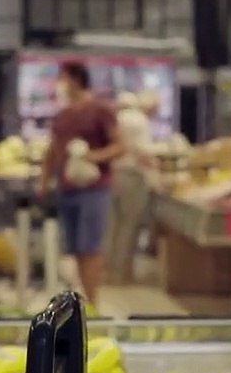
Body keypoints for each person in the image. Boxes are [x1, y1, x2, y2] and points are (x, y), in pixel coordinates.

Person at [38, 63, 124, 306]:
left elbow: (120, 146)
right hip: (68, 188)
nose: (60, 83)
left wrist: (93, 157)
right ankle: (84, 299)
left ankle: (93, 302)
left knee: (91, 246)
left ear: (76, 80)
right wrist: (44, 181)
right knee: (76, 247)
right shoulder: (62, 116)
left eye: (63, 78)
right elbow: (53, 151)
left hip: (95, 189)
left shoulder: (101, 111)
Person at [103, 91, 157, 283]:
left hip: (112, 175)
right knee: (129, 225)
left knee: (111, 225)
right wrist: (155, 168)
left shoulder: (116, 119)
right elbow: (143, 151)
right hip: (131, 176)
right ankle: (122, 272)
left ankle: (106, 271)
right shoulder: (139, 121)